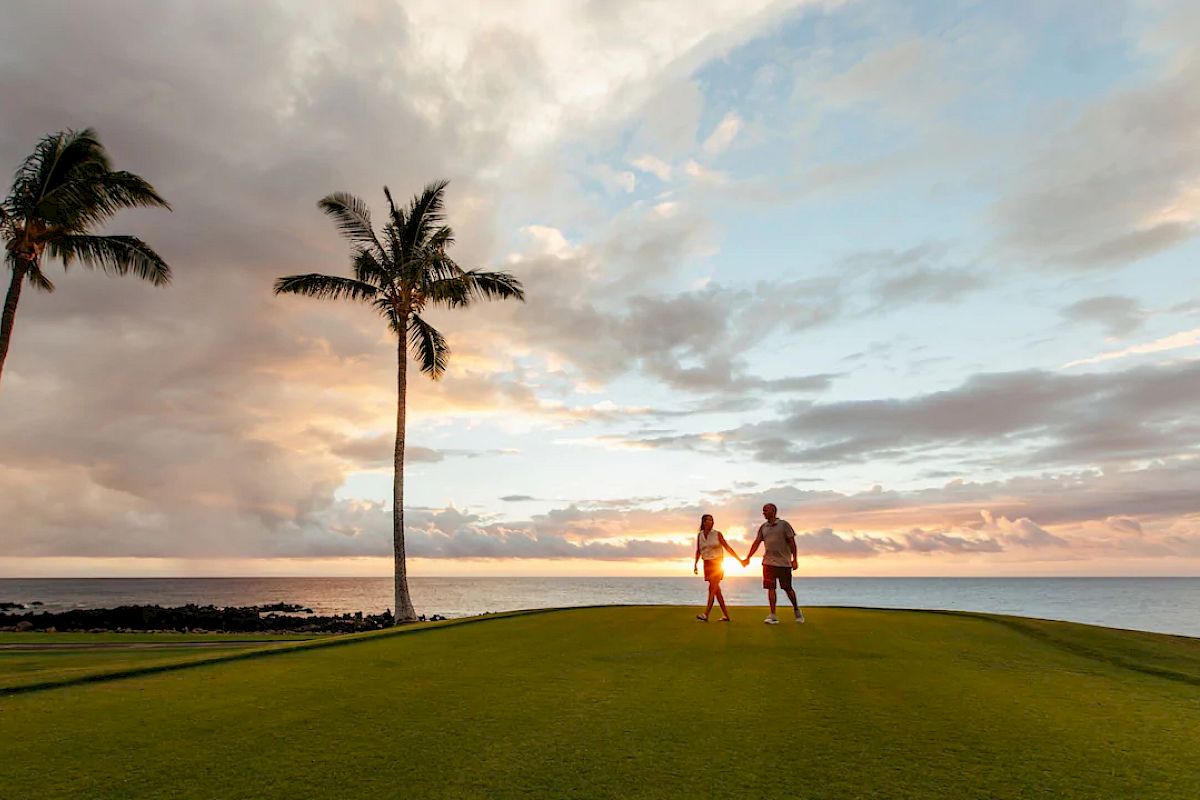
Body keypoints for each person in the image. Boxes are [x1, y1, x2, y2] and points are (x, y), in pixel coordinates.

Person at [742, 503, 804, 624]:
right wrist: (748, 557)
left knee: (787, 588)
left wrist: (795, 559)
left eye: (765, 510)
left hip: (783, 563)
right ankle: (773, 615)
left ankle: (797, 611)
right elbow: (756, 542)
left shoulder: (784, 525)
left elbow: (792, 543)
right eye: (763, 510)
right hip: (768, 562)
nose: (763, 512)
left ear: (773, 511)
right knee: (770, 588)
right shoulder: (763, 527)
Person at [692, 514, 742, 622]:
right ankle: (726, 616)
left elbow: (727, 547)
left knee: (712, 589)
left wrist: (739, 560)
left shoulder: (717, 534)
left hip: (717, 563)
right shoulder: (700, 535)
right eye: (709, 520)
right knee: (716, 591)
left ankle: (706, 614)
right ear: (704, 522)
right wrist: (695, 564)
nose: (711, 522)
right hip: (707, 563)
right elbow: (698, 550)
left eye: (712, 520)